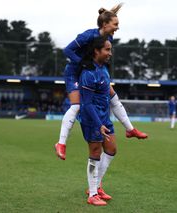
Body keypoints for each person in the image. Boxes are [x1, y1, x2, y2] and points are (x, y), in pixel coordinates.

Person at [55, 3, 148, 160]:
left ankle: (130, 129)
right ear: (105, 24)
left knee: (113, 97)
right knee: (77, 106)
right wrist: (82, 62)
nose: (117, 28)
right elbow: (67, 50)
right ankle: (61, 143)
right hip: (75, 72)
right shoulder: (87, 36)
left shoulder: (108, 38)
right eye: (115, 24)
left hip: (92, 71)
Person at [79, 36, 116, 206]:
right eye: (107, 49)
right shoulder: (88, 74)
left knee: (111, 149)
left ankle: (97, 185)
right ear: (97, 51)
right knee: (95, 153)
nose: (110, 53)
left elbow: (105, 31)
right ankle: (92, 193)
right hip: (92, 118)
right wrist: (97, 123)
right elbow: (86, 103)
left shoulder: (104, 69)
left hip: (104, 117)